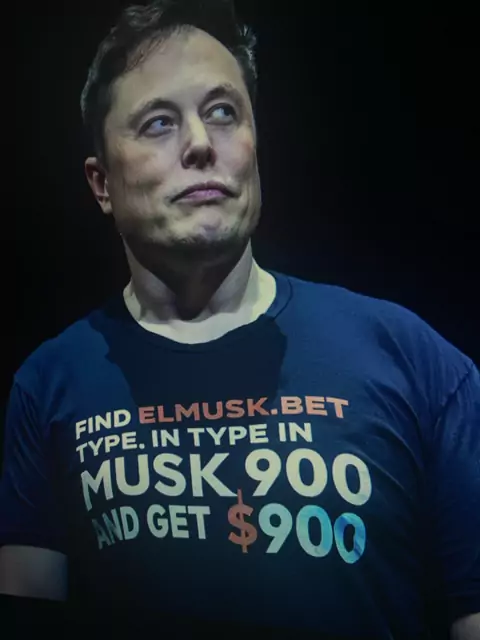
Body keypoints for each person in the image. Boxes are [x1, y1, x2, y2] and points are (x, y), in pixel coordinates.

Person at [1, 1, 479, 637]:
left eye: (223, 112)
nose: (201, 144)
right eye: (158, 123)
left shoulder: (412, 359)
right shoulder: (48, 385)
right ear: (102, 183)